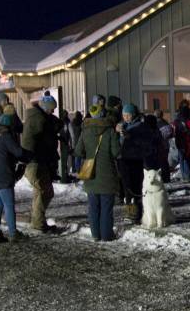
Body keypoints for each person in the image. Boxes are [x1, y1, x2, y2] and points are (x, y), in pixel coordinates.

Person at [74, 103, 121, 241]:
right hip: (107, 174)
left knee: (93, 207)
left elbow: (77, 151)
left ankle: (95, 234)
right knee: (106, 207)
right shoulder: (110, 131)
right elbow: (116, 152)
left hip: (90, 175)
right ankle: (106, 235)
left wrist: (89, 155)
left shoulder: (85, 131)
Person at [0, 113, 29, 243]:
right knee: (8, 205)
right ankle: (13, 234)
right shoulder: (5, 135)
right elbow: (18, 152)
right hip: (2, 176)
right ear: (8, 126)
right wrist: (28, 154)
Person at [21, 95, 60, 232]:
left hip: (34, 160)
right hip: (35, 161)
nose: (53, 112)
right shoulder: (39, 120)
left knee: (40, 191)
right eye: (51, 109)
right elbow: (43, 140)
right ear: (45, 108)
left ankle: (37, 221)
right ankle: (38, 222)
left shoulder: (37, 117)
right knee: (46, 192)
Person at [116, 104, 149, 224]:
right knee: (126, 187)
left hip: (135, 160)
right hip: (123, 159)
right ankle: (130, 212)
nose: (126, 117)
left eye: (128, 115)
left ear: (133, 115)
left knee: (135, 187)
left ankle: (138, 213)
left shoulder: (140, 126)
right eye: (124, 115)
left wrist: (130, 137)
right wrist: (117, 131)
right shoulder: (123, 125)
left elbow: (144, 142)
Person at [173, 102, 190, 182]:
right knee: (187, 159)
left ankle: (184, 176)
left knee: (182, 159)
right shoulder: (187, 120)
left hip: (179, 142)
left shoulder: (177, 120)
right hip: (187, 143)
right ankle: (188, 176)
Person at [57, 109, 73, 183]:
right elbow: (72, 135)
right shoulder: (68, 123)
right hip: (65, 144)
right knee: (66, 161)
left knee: (61, 162)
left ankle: (62, 176)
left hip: (59, 144)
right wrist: (72, 145)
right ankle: (64, 177)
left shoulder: (58, 122)